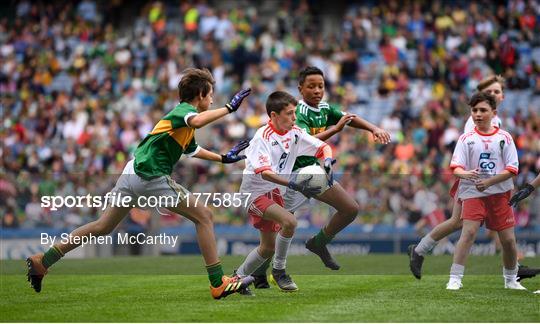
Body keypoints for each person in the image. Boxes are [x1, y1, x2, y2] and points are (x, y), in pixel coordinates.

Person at [26, 68, 254, 300]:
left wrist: (223, 158)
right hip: (151, 177)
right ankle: (218, 283)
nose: (213, 99)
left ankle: (43, 261)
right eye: (211, 94)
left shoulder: (182, 123)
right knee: (204, 215)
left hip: (132, 173)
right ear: (201, 95)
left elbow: (192, 149)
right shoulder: (185, 112)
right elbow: (196, 121)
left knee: (102, 226)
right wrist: (229, 109)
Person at [250, 66, 391, 288]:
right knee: (278, 227)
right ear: (300, 88)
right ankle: (262, 273)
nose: (317, 90)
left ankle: (318, 242)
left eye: (321, 86)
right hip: (290, 174)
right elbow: (305, 141)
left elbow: (348, 118)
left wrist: (373, 128)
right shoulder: (296, 113)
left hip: (312, 172)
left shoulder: (324, 108)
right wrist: (336, 129)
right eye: (311, 86)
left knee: (349, 208)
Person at [408, 75, 540, 281]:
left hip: (486, 182)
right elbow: (473, 153)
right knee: (463, 224)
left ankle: (420, 249)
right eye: (491, 91)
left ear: (503, 95)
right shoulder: (477, 121)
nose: (495, 94)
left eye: (497, 91)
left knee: (459, 223)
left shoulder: (496, 121)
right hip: (474, 181)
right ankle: (422, 252)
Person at [234, 91, 334, 293]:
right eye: (289, 113)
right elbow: (266, 174)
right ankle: (279, 271)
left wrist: (328, 163)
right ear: (273, 116)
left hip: (275, 193)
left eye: (295, 112)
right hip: (255, 192)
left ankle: (236, 280)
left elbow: (323, 147)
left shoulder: (295, 132)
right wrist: (294, 185)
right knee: (290, 222)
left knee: (267, 248)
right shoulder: (262, 137)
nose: (294, 117)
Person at [446, 92, 525, 290]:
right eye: (474, 110)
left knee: (508, 240)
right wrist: (464, 174)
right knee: (469, 232)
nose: (478, 114)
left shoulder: (504, 138)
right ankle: (455, 278)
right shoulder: (466, 139)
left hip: (499, 193)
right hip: (474, 192)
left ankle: (510, 280)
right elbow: (455, 167)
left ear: (493, 112)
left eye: (483, 110)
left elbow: (512, 169)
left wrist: (490, 182)